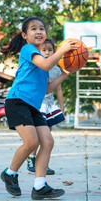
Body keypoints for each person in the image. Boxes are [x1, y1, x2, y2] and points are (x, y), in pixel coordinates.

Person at [0, 17, 78, 200]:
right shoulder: (28, 50)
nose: (39, 31)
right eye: (34, 29)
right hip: (17, 101)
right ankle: (9, 173)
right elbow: (46, 64)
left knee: (48, 142)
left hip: (32, 106)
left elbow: (48, 89)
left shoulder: (43, 60)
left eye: (42, 29)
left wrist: (67, 72)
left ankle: (39, 186)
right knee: (31, 143)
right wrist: (61, 51)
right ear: (25, 35)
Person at [27, 39, 65, 175]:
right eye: (44, 50)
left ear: (54, 52)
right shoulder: (39, 67)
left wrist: (61, 106)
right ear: (38, 52)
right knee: (38, 135)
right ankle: (31, 158)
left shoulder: (56, 69)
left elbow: (58, 89)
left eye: (50, 50)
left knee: (47, 136)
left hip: (49, 105)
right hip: (39, 105)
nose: (47, 53)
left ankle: (43, 163)